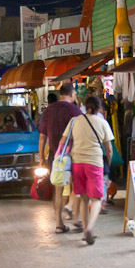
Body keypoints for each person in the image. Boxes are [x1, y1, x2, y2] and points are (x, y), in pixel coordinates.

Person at [59, 95, 113, 245]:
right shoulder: (102, 123)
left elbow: (63, 141)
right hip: (94, 163)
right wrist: (107, 163)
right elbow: (109, 149)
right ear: (99, 109)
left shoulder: (74, 121)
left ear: (84, 107)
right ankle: (89, 228)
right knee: (96, 199)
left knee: (83, 198)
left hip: (77, 163)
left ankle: (85, 233)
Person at [38, 83, 82, 233]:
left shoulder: (48, 110)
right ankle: (75, 218)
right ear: (71, 93)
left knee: (58, 189)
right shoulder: (75, 111)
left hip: (55, 156)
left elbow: (42, 137)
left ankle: (59, 224)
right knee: (77, 186)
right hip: (73, 154)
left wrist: (41, 159)